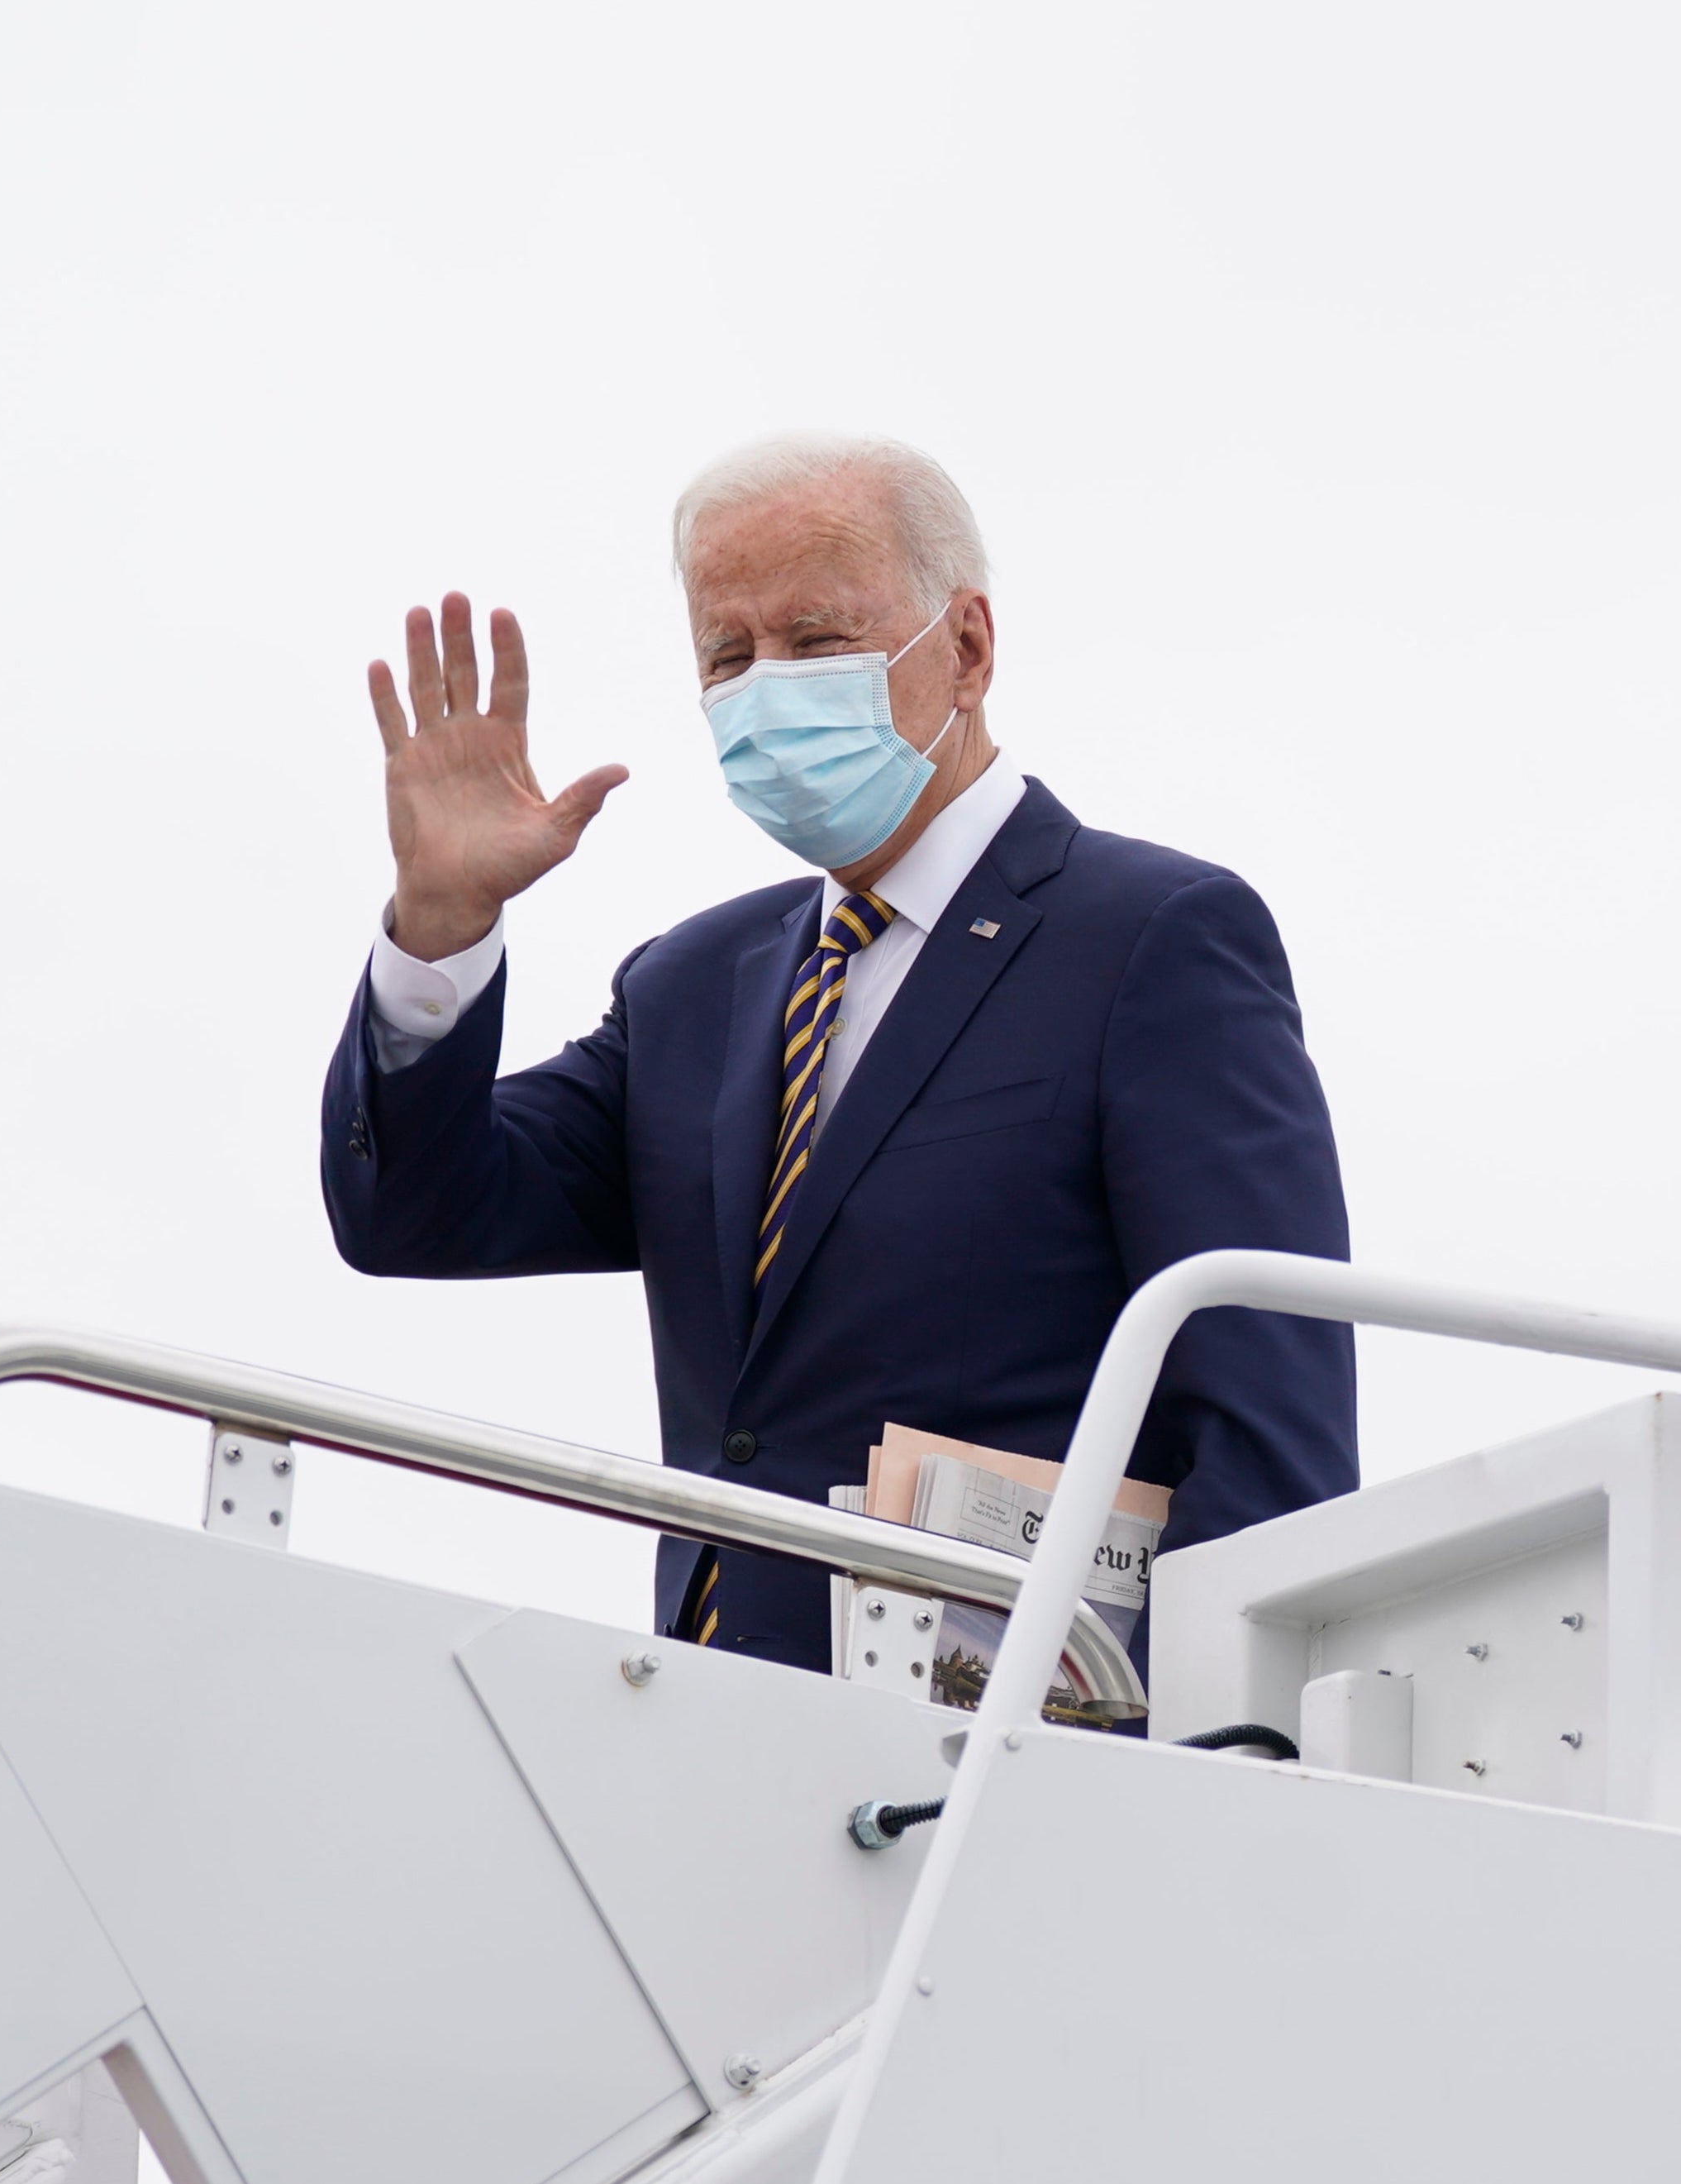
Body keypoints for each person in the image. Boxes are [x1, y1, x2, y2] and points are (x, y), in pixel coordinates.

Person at [319, 435, 1355, 1667]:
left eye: (815, 642)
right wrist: (442, 928)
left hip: (1012, 1764)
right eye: (728, 654)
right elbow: (416, 1217)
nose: (767, 686)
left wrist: (1201, 1761)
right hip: (714, 1722)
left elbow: (1265, 1415)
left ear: (965, 648)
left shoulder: (1150, 940)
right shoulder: (691, 986)